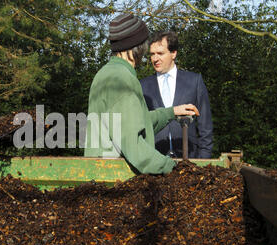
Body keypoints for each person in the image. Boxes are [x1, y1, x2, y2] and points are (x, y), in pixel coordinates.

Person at [84, 14, 200, 174]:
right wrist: (173, 168)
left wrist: (171, 112)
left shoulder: (107, 73)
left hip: (101, 177)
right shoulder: (121, 80)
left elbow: (135, 124)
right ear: (137, 45)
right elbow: (134, 146)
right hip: (115, 182)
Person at [140, 31, 213, 159]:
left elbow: (205, 127)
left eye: (160, 53)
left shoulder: (194, 81)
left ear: (173, 53)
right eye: (152, 54)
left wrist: (203, 161)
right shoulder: (142, 86)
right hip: (154, 163)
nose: (155, 59)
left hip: (190, 161)